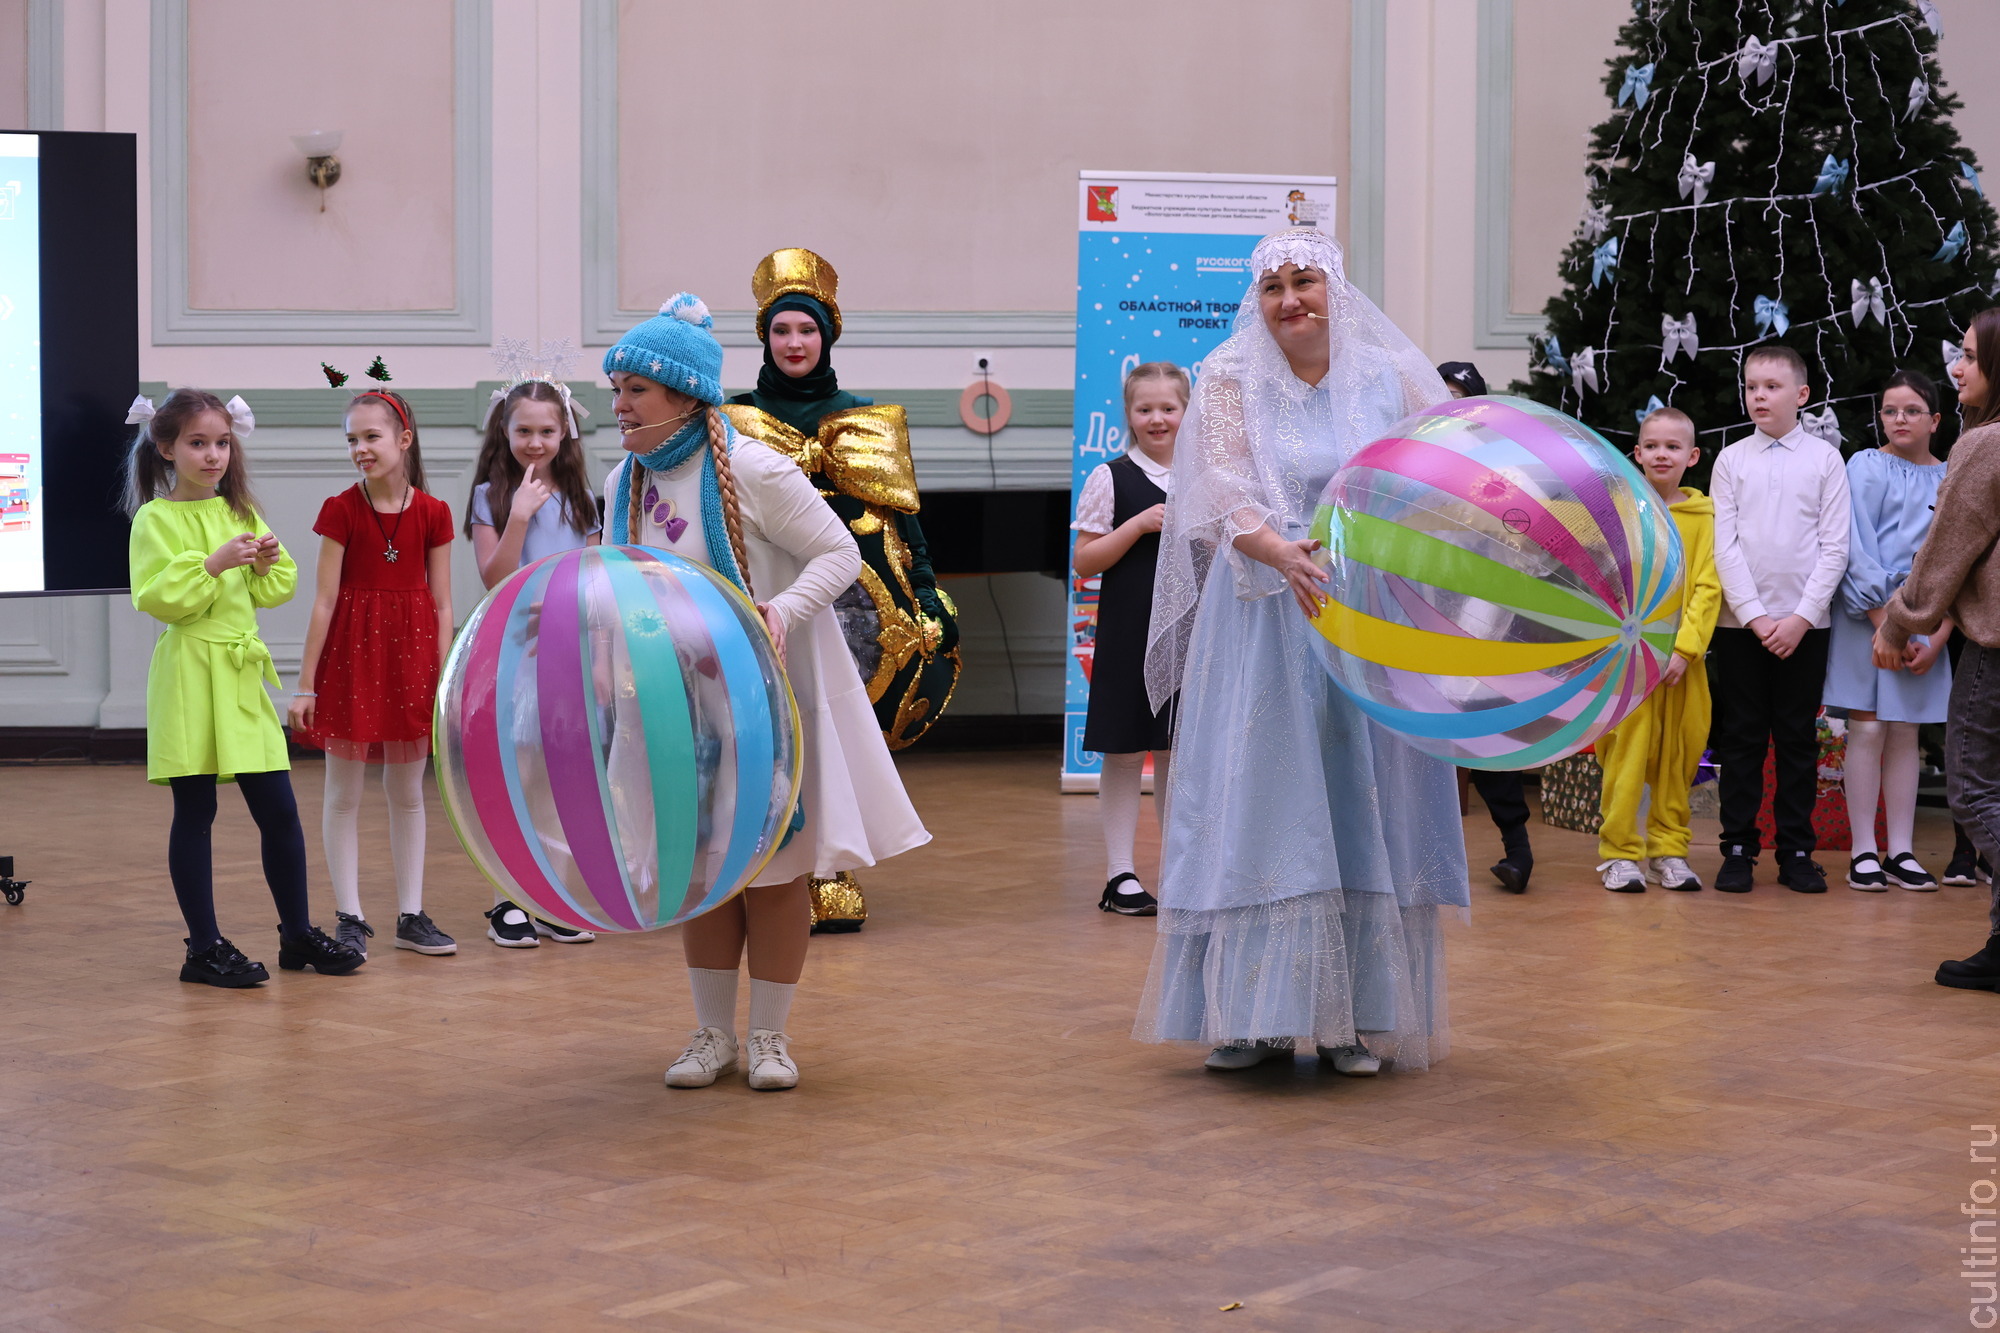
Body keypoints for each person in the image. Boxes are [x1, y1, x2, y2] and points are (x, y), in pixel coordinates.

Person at [1135, 228, 1467, 1077]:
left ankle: (1357, 1015)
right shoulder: (1229, 381)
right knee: (1266, 802)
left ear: (1336, 289)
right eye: (1275, 285)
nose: (1292, 300)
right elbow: (1222, 489)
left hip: (1365, 622)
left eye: (1306, 281)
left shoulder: (1388, 379)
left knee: (1364, 800)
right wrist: (1279, 552)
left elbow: (1433, 485)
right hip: (1265, 619)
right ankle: (1255, 1016)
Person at [606, 293, 929, 1089]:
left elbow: (837, 554)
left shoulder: (753, 468)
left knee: (779, 871)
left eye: (634, 390)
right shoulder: (624, 479)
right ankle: (712, 1031)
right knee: (704, 864)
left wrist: (776, 613)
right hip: (679, 701)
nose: (618, 404)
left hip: (766, 699)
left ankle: (770, 1038)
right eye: (616, 388)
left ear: (683, 393)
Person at [723, 248, 959, 935]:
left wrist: (923, 585)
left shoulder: (865, 418)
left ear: (828, 335)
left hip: (856, 597)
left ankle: (834, 863)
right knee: (769, 721)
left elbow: (901, 513)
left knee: (836, 724)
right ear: (765, 338)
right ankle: (763, 857)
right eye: (781, 331)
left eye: (807, 330)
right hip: (767, 591)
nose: (794, 343)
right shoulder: (731, 418)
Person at [123, 389, 363, 986]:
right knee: (196, 808)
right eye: (198, 443)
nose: (212, 456)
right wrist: (213, 565)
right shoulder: (155, 518)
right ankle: (203, 948)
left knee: (279, 809)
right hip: (188, 674)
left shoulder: (239, 512)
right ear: (165, 448)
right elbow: (156, 596)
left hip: (238, 674)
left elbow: (274, 587)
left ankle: (298, 934)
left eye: (222, 443)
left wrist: (262, 563)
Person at [290, 380, 458, 959]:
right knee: (343, 793)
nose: (360, 447)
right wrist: (307, 683)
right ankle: (350, 917)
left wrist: (443, 681)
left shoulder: (434, 513)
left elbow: (441, 604)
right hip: (353, 660)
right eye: (352, 439)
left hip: (410, 659)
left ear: (403, 439)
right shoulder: (340, 509)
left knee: (408, 791)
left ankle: (410, 915)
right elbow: (323, 600)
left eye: (371, 436)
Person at [1874, 309, 2000, 989]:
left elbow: (1946, 552)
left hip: (1995, 648)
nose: (1958, 367)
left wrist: (1899, 624)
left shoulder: (1984, 446)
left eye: (1973, 358)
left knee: (1972, 784)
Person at [1708, 344, 1851, 893]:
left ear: (1802, 395)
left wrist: (1799, 618)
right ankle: (1738, 847)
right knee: (1742, 735)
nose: (1759, 395)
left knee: (1796, 737)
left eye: (1771, 386)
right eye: (1751, 386)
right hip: (1741, 626)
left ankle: (1795, 849)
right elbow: (1726, 548)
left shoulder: (1824, 460)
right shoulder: (1731, 459)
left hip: (1805, 628)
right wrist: (1753, 616)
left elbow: (1835, 548)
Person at [466, 376, 603, 946]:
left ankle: (552, 896)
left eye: (547, 431)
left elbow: (597, 580)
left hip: (570, 650)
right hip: (515, 651)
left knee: (561, 775)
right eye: (524, 430)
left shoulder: (581, 500)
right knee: (517, 774)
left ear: (564, 431)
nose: (536, 442)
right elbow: (495, 578)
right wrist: (519, 513)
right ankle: (508, 901)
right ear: (505, 429)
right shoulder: (488, 498)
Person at [1827, 370, 1951, 891]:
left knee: (1905, 732)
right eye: (1890, 411)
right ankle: (1863, 851)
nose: (1900, 419)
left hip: (1924, 625)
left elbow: (1956, 562)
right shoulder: (1865, 465)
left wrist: (1937, 633)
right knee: (1870, 727)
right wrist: (1888, 626)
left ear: (1935, 420)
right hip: (1869, 619)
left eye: (1912, 411)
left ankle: (1901, 851)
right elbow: (1857, 547)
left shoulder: (1950, 475)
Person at [1072, 362, 1188, 916]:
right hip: (1128, 632)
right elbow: (1085, 560)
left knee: (1177, 752)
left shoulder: (1206, 476)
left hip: (1191, 634)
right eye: (1145, 410)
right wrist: (1137, 525)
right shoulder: (1111, 477)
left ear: (1187, 413)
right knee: (1124, 751)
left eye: (1169, 408)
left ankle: (1180, 871)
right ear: (1129, 415)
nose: (1157, 419)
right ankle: (1120, 876)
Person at [1594, 407, 1722, 891]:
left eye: (1673, 447)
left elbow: (1709, 587)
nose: (1661, 454)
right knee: (1626, 755)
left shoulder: (1704, 518)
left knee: (1677, 759)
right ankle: (1619, 853)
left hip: (1681, 669)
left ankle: (1669, 850)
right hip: (1628, 664)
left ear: (1692, 456)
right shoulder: (1621, 511)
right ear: (1637, 453)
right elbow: (1605, 577)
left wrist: (1685, 651)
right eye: (1652, 446)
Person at [1436, 360, 1534, 892]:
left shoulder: (1509, 474)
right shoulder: (1407, 467)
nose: (1452, 411)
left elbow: (1527, 549)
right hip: (1412, 621)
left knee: (1489, 736)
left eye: (1461, 400)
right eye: (1441, 398)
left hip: (1482, 621)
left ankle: (1517, 850)